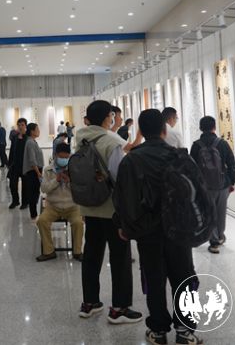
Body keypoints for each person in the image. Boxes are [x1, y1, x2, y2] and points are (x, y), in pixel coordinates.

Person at [113, 109, 203, 345]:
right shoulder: (179, 157)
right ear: (164, 130)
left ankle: (158, 330)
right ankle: (185, 330)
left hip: (147, 232)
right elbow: (195, 193)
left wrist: (124, 226)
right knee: (184, 278)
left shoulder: (131, 160)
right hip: (178, 230)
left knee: (154, 280)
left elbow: (123, 198)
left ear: (141, 131)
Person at [75, 100, 142, 324]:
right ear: (108, 117)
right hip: (112, 210)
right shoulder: (111, 142)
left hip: (89, 206)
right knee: (120, 257)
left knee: (91, 256)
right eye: (112, 115)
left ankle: (90, 303)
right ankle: (120, 308)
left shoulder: (80, 139)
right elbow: (119, 178)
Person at [190, 116, 235, 254]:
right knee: (221, 212)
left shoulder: (196, 145)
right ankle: (220, 236)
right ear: (214, 127)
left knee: (209, 213)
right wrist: (232, 182)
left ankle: (214, 241)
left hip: (205, 187)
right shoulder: (222, 144)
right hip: (222, 185)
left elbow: (192, 168)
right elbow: (231, 164)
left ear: (200, 128)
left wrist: (196, 186)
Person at [36, 142, 83, 262]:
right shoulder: (48, 170)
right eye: (61, 157)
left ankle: (77, 252)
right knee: (42, 221)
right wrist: (56, 181)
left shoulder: (74, 169)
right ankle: (49, 251)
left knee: (78, 223)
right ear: (56, 155)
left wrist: (69, 182)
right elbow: (44, 189)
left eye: (66, 157)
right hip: (53, 206)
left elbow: (80, 190)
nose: (64, 160)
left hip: (72, 206)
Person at [22, 122, 44, 219]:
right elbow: (32, 160)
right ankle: (33, 214)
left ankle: (34, 213)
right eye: (37, 129)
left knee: (35, 192)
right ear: (32, 131)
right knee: (33, 193)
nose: (39, 131)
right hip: (33, 171)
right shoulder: (30, 142)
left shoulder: (32, 141)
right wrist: (38, 173)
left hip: (35, 171)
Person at [7, 118, 28, 209]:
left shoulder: (28, 138)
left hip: (25, 165)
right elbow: (12, 151)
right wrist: (9, 163)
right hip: (15, 165)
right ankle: (15, 201)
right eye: (19, 125)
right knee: (12, 184)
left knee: (25, 185)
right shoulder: (15, 137)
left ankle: (25, 202)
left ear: (25, 126)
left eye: (22, 125)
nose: (20, 127)